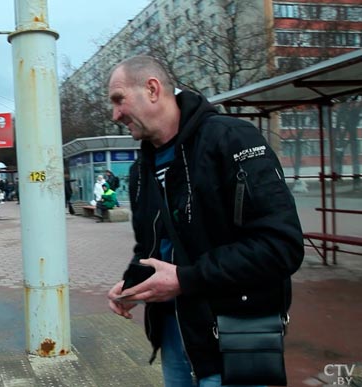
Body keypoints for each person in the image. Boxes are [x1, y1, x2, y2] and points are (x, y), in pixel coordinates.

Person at [105, 56, 303, 386]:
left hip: (240, 339)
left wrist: (187, 278)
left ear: (152, 89)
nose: (115, 115)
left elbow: (281, 246)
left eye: (118, 99)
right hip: (175, 340)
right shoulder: (142, 169)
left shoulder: (232, 139)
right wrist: (133, 284)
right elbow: (152, 245)